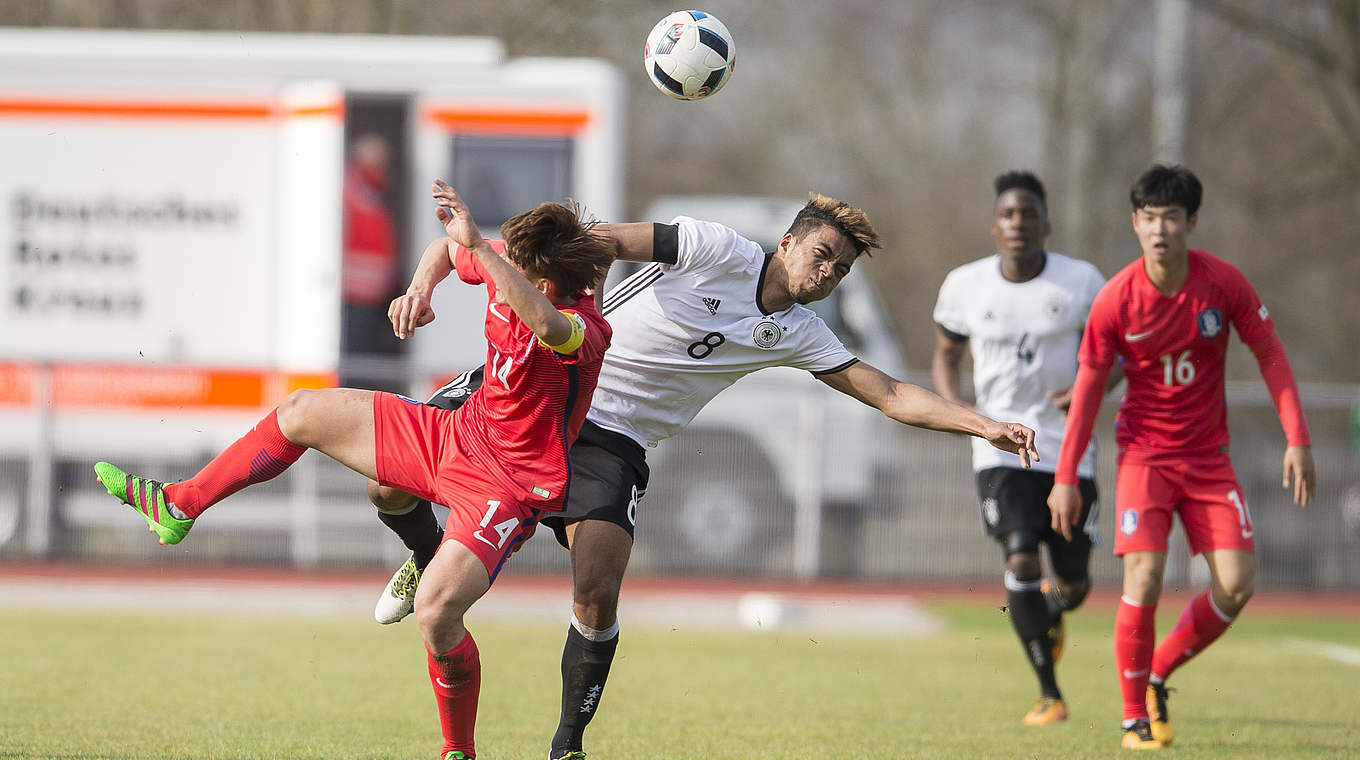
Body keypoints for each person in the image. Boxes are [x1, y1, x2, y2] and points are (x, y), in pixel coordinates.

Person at [368, 193, 1042, 760]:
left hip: (616, 440)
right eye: (821, 255)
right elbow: (592, 240)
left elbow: (893, 395)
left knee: (598, 585)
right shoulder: (715, 247)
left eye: (838, 269)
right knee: (387, 484)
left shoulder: (801, 332)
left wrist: (982, 424)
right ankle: (424, 555)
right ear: (787, 243)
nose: (827, 272)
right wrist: (541, 296)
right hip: (544, 390)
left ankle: (567, 744)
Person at [95, 179, 617, 760]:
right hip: (457, 434)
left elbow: (546, 325)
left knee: (438, 614)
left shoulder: (586, 329)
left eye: (509, 263)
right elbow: (446, 251)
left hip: (511, 484)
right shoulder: (505, 268)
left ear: (541, 281)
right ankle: (180, 504)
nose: (495, 261)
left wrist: (487, 253)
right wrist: (419, 288)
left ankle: (457, 751)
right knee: (302, 413)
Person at [1047, 164, 1315, 750]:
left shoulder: (1224, 285)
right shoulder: (1117, 297)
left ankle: (1157, 675)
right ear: (1135, 224)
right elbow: (1089, 388)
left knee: (1237, 585)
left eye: (1171, 217)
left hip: (1209, 460)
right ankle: (1131, 718)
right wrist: (1065, 476)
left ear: (1191, 222)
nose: (1159, 228)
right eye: (1148, 218)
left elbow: (1270, 353)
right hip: (1144, 457)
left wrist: (1297, 437)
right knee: (1143, 578)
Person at [933, 170, 1120, 726]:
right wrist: (962, 414)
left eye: (1029, 214)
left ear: (1046, 223)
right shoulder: (965, 285)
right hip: (999, 444)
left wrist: (1090, 389)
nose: (1019, 223)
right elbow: (945, 352)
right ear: (996, 225)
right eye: (1010, 215)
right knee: (1018, 552)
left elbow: (1120, 353)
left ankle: (1052, 609)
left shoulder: (1083, 282)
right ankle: (1049, 693)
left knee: (1075, 581)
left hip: (1068, 446)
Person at [341, 133, 403, 383]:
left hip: (370, 293)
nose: (381, 165)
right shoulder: (351, 189)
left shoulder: (369, 189)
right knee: (358, 358)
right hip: (354, 293)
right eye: (377, 159)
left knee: (367, 353)